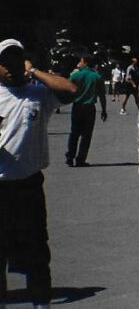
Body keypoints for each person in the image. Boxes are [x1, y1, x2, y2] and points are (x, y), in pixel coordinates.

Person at [0, 39, 79, 308]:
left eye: (15, 61)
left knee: (36, 249)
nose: (10, 68)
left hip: (28, 185)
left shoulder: (38, 94)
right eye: (4, 62)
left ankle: (41, 302)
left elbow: (70, 89)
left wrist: (33, 72)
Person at [66, 55, 107, 167]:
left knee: (74, 133)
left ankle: (70, 157)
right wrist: (103, 110)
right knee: (86, 135)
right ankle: (81, 159)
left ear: (85, 62)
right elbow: (102, 96)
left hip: (77, 106)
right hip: (89, 108)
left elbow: (66, 88)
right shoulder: (97, 77)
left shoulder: (75, 75)